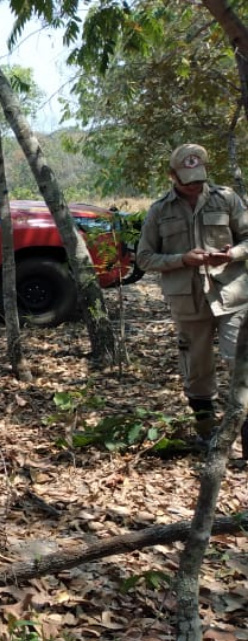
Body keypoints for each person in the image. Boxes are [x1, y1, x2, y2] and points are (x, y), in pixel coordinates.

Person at [137, 143, 248, 458]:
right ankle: (207, 436)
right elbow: (144, 257)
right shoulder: (160, 210)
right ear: (172, 176)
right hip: (188, 301)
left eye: (199, 177)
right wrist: (182, 259)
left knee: (240, 364)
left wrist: (232, 254)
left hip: (232, 295)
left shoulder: (226, 199)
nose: (195, 185)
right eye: (187, 179)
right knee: (197, 372)